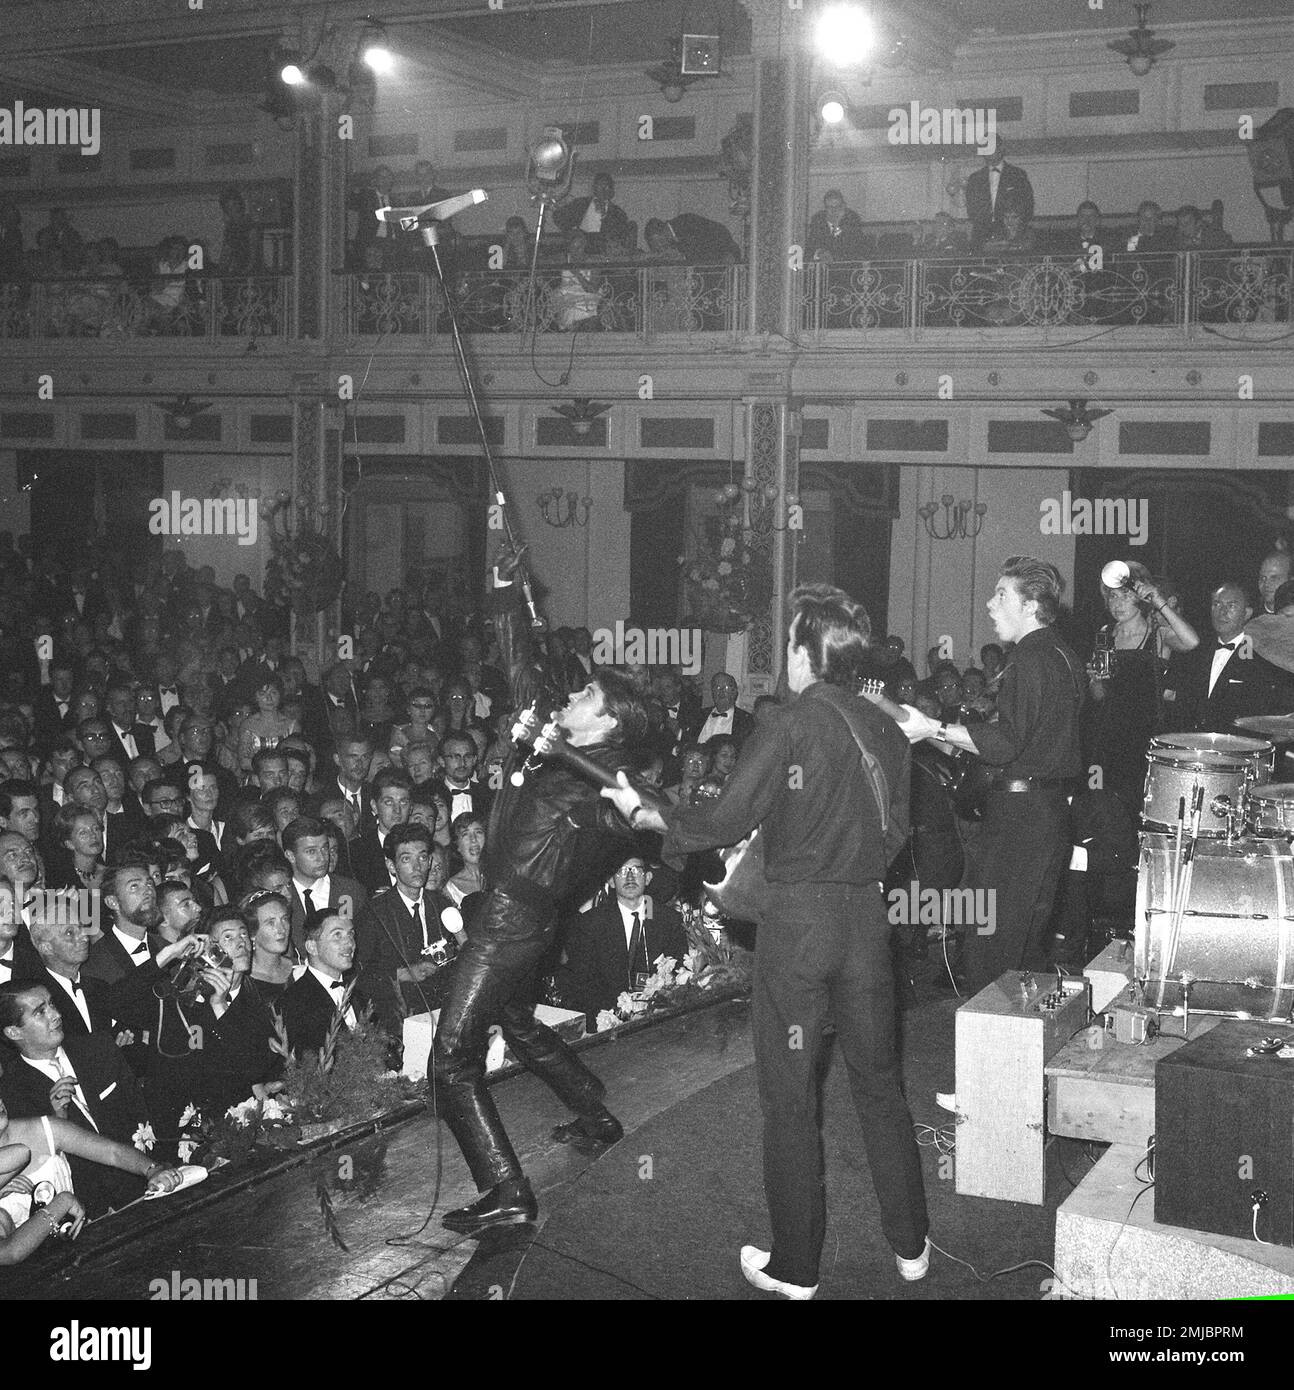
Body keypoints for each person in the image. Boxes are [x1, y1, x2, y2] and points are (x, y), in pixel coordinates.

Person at [603, 582, 927, 1299]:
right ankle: (910, 1245)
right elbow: (898, 832)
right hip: (867, 926)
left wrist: (649, 814)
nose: (782, 653)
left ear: (808, 652)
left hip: (800, 928)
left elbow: (725, 817)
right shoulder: (885, 727)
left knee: (791, 1099)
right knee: (879, 1086)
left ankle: (797, 1268)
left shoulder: (788, 722)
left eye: (788, 642)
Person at [431, 542, 649, 1240]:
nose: (572, 697)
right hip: (520, 922)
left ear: (609, 724)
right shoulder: (558, 739)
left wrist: (563, 756)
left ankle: (506, 1189)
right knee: (519, 1022)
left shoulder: (606, 785)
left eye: (586, 697)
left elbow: (634, 812)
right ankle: (592, 1110)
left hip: (510, 924)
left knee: (450, 1060)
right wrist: (503, 584)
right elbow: (519, 660)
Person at [902, 558, 1084, 995]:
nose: (989, 604)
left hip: (1019, 821)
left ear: (1030, 605)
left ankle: (991, 1058)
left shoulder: (1029, 657)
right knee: (1025, 948)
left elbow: (1006, 744)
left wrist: (933, 728)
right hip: (1047, 814)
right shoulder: (1063, 654)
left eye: (1000, 594)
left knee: (991, 950)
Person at [1084, 561, 1199, 816]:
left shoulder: (1158, 633)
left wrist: (1159, 600)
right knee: (1103, 812)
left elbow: (1192, 642)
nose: (1117, 603)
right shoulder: (1105, 634)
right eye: (1113, 596)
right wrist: (1094, 679)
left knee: (1139, 811)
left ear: (1140, 597)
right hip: (1107, 736)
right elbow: (1100, 697)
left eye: (1125, 596)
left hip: (1144, 738)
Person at [556, 855, 687, 1024]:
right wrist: (615, 1015)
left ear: (647, 878)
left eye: (636, 870)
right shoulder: (590, 923)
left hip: (661, 1018)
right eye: (622, 871)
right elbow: (581, 981)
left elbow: (679, 972)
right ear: (611, 881)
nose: (630, 877)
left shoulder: (669, 920)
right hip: (607, 1020)